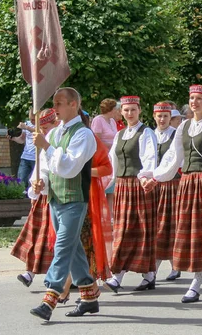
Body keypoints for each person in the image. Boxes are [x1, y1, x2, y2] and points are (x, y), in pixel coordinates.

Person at [143, 84, 202, 304]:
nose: (194, 102)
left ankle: (196, 285)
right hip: (186, 183)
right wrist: (155, 178)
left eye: (199, 99)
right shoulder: (183, 128)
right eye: (192, 98)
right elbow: (173, 157)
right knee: (191, 235)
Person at [28, 87, 99, 321]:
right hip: (56, 199)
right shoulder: (55, 133)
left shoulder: (84, 134)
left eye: (59, 103)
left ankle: (50, 297)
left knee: (62, 247)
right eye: (54, 103)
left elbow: (69, 167)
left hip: (75, 200)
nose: (54, 108)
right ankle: (89, 296)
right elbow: (47, 167)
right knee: (74, 248)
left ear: (73, 105)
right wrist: (40, 183)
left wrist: (47, 147)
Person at [103, 96, 159, 293]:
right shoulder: (120, 135)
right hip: (122, 187)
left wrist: (145, 177)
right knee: (122, 229)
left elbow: (150, 159)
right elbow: (112, 163)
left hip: (139, 185)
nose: (129, 113)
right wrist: (104, 183)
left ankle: (120, 276)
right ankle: (147, 275)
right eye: (126, 110)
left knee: (139, 229)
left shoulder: (146, 133)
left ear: (139, 110)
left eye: (133, 110)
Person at [57, 118, 114, 304]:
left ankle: (63, 291)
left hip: (86, 198)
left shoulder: (89, 139)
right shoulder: (60, 138)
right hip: (65, 197)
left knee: (79, 244)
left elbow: (107, 168)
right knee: (72, 245)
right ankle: (89, 291)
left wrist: (83, 169)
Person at [11, 108, 59, 288]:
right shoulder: (43, 143)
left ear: (55, 124)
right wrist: (35, 184)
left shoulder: (59, 141)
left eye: (46, 128)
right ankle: (29, 272)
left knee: (53, 240)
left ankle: (62, 277)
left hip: (58, 197)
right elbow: (40, 167)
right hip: (42, 197)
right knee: (36, 237)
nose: (44, 132)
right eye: (42, 128)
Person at [151, 102, 182, 281]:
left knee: (171, 225)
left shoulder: (176, 135)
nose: (162, 119)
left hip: (172, 185)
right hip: (155, 186)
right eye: (159, 116)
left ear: (171, 118)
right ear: (154, 116)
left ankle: (174, 265)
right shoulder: (150, 135)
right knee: (157, 226)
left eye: (165, 116)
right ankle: (154, 266)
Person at [8, 109, 36, 191]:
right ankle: (21, 196)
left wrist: (26, 127)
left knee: (35, 180)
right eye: (31, 119)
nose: (32, 121)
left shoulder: (41, 124)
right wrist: (12, 138)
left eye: (34, 119)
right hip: (26, 156)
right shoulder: (27, 123)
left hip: (36, 158)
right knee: (21, 179)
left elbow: (41, 132)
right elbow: (22, 139)